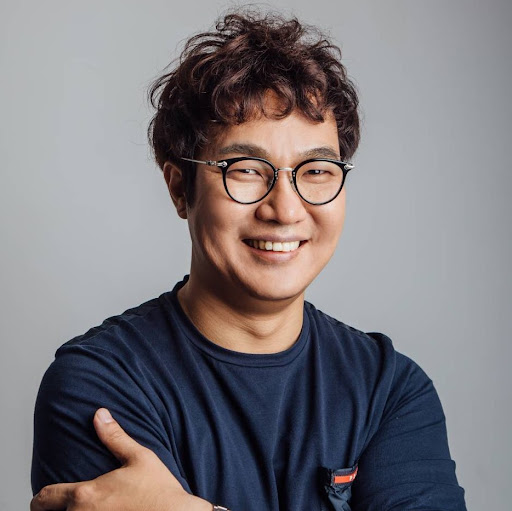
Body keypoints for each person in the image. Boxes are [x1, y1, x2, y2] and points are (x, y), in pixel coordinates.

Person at [30, 10, 467, 511]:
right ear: (180, 189)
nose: (285, 209)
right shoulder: (100, 384)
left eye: (316, 170)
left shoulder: (388, 390)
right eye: (245, 169)